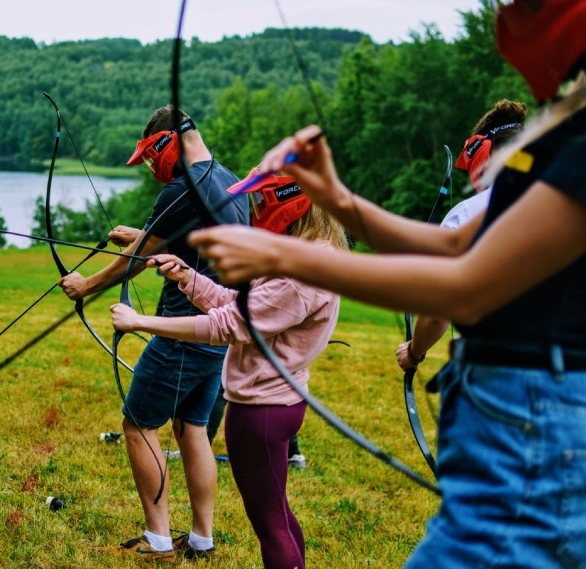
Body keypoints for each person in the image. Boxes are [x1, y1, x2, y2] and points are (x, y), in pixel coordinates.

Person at [188, 2, 586, 566]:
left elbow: (464, 286)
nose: (507, 16)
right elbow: (453, 246)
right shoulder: (560, 135)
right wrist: (339, 200)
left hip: (535, 418)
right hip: (507, 412)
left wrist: (287, 254)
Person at [111, 169, 348, 568]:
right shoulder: (305, 256)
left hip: (263, 411)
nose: (254, 210)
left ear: (285, 204)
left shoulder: (300, 273)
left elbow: (228, 326)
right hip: (273, 402)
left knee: (270, 521)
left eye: (260, 201)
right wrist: (187, 277)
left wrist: (141, 322)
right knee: (276, 513)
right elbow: (240, 306)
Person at [58, 105, 248, 562]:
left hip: (182, 328)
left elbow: (140, 259)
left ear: (166, 145)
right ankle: (201, 538)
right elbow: (176, 240)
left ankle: (158, 538)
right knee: (192, 427)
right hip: (220, 334)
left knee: (139, 422)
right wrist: (143, 235)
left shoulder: (181, 190)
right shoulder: (231, 181)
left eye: (149, 156)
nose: (149, 168)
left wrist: (86, 285)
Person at [395, 99, 528, 372]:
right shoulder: (566, 203)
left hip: (491, 376)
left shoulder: (466, 215)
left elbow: (436, 313)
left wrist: (414, 352)